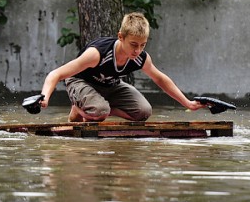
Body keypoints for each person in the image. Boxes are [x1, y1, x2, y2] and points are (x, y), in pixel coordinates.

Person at [39, 12, 205, 122]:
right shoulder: (97, 54)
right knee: (99, 112)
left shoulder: (140, 57)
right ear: (121, 37)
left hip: (110, 85)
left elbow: (160, 79)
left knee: (144, 113)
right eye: (133, 44)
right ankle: (80, 108)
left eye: (142, 45)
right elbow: (56, 74)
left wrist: (188, 103)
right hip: (81, 83)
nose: (137, 50)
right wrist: (44, 98)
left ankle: (100, 109)